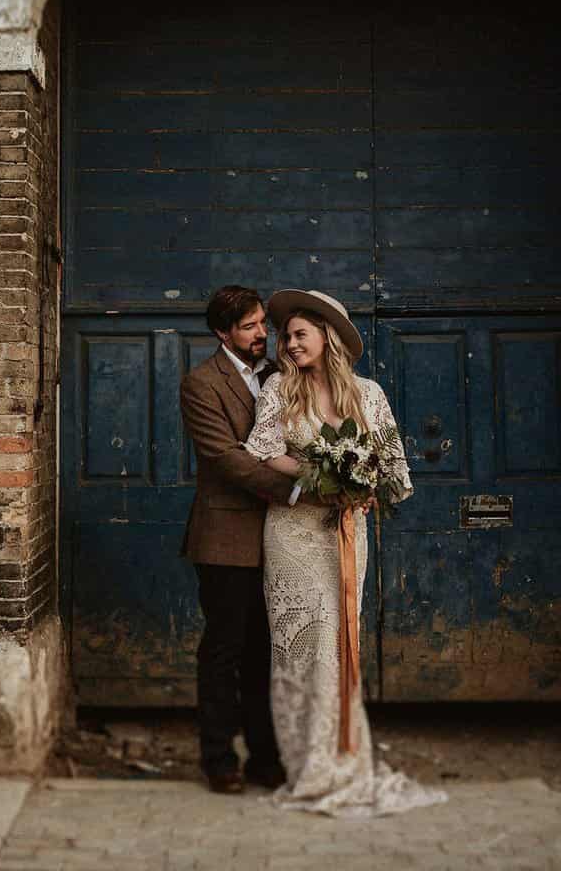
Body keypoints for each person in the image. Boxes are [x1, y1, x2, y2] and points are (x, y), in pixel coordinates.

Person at [244, 288, 447, 818]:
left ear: (326, 338)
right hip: (292, 534)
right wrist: (320, 474)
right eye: (284, 336)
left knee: (339, 646)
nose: (287, 344)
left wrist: (361, 484)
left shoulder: (368, 394)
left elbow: (394, 470)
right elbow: (260, 453)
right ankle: (308, 767)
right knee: (301, 648)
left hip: (345, 536)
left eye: (298, 335)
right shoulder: (279, 393)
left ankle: (345, 763)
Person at [178, 284, 301, 794]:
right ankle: (219, 759)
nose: (261, 335)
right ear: (222, 332)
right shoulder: (201, 384)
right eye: (249, 326)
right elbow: (226, 458)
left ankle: (266, 759)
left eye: (262, 325)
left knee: (265, 653)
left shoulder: (281, 375)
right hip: (225, 538)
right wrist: (298, 489)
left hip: (280, 537)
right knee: (224, 650)